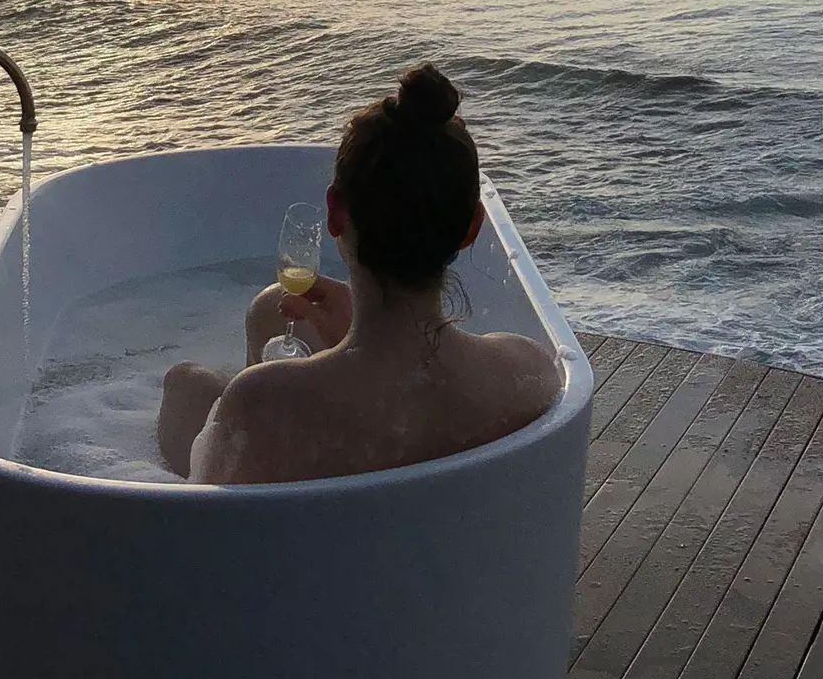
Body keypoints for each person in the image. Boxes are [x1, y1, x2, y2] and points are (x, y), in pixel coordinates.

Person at [157, 64, 562, 484]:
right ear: (472, 228)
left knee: (184, 382)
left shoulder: (258, 409)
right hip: (440, 540)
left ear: (334, 213)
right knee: (268, 312)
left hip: (302, 539)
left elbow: (205, 520)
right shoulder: (529, 373)